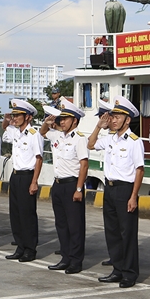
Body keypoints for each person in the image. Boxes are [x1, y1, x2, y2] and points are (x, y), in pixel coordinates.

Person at [88, 95, 144, 287]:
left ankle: (129, 273)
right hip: (109, 188)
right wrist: (98, 126)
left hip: (125, 189)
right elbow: (90, 144)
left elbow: (139, 170)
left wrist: (134, 196)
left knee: (127, 233)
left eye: (118, 117)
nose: (113, 119)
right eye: (112, 116)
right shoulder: (110, 138)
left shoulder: (134, 141)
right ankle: (117, 269)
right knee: (112, 232)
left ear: (127, 120)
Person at [41, 99, 88, 274]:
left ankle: (76, 261)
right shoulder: (57, 135)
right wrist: (47, 122)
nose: (62, 121)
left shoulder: (79, 139)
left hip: (71, 184)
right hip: (58, 184)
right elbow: (42, 132)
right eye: (61, 119)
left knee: (75, 225)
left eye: (65, 119)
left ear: (74, 120)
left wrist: (78, 189)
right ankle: (65, 257)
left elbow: (84, 165)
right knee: (61, 224)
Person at [1, 99, 44, 262]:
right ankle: (20, 246)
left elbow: (39, 159)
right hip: (16, 175)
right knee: (16, 213)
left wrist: (34, 181)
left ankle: (30, 249)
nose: (15, 118)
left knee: (27, 214)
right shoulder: (15, 132)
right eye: (14, 115)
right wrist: (7, 120)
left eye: (18, 115)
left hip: (27, 176)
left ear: (28, 117)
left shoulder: (35, 135)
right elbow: (5, 131)